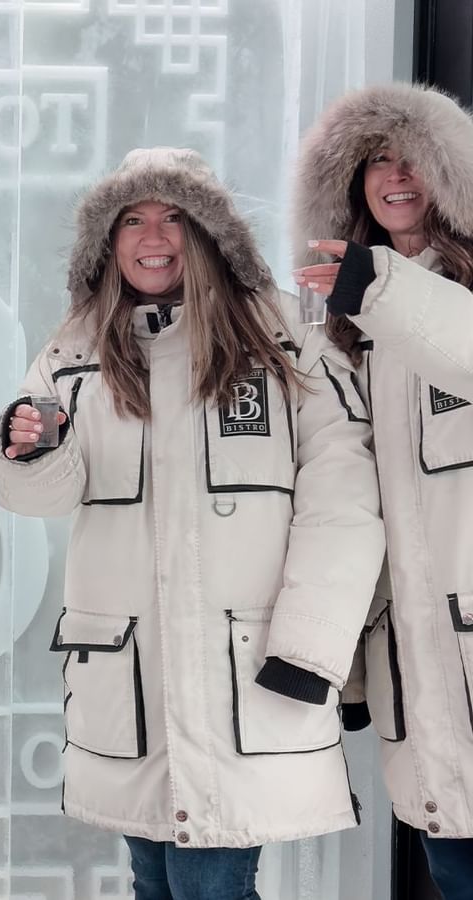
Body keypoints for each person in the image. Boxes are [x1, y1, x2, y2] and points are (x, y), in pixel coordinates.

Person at [0, 148, 385, 900]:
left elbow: (345, 504)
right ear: (108, 241)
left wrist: (312, 646)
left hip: (250, 678)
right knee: (159, 883)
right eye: (132, 219)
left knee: (209, 883)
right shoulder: (74, 354)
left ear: (208, 233)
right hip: (130, 685)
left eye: (174, 216)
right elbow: (39, 497)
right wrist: (33, 446)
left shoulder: (286, 352)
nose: (153, 235)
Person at [292, 82, 473, 900]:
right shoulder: (343, 322)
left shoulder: (436, 295)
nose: (394, 176)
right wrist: (348, 668)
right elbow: (346, 496)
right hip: (413, 664)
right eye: (375, 161)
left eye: (413, 158)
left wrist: (380, 287)